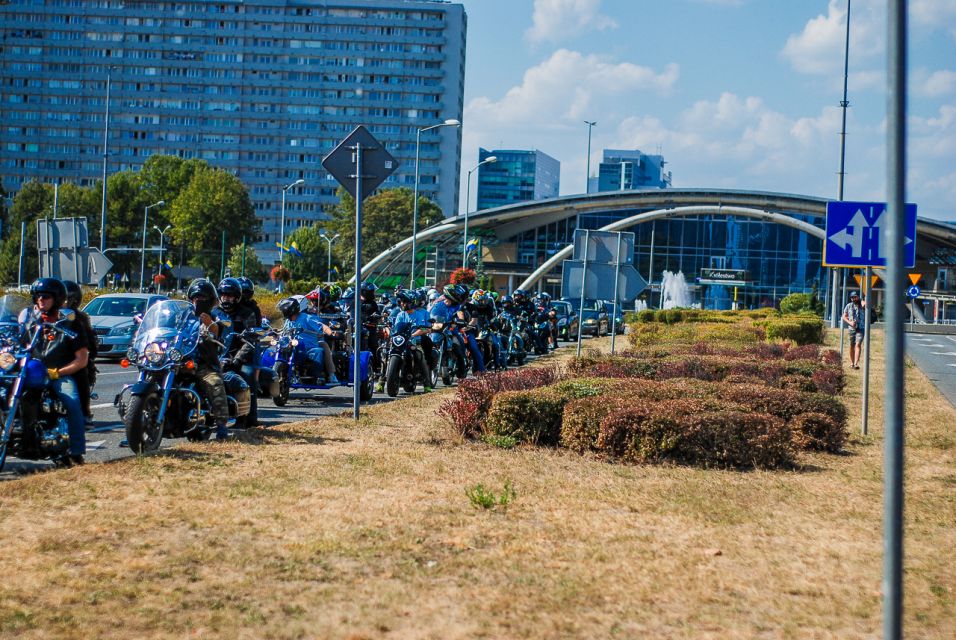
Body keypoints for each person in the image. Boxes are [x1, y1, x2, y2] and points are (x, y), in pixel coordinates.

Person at [25, 278, 89, 465]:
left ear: (57, 299)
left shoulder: (70, 323)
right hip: (30, 373)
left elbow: (82, 359)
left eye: (45, 297)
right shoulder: (30, 322)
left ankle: (76, 450)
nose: (41, 301)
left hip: (58, 373)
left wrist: (57, 372)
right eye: (37, 297)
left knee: (72, 402)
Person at [186, 278, 231, 440]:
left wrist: (210, 324)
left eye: (203, 299)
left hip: (204, 364)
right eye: (196, 298)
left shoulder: (215, 317)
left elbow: (220, 334)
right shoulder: (183, 316)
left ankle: (221, 426)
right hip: (179, 362)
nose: (198, 302)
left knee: (215, 384)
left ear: (211, 301)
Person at [218, 277, 259, 427]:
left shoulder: (247, 313)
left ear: (236, 297)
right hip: (217, 354)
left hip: (239, 355)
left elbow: (251, 339)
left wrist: (237, 360)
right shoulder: (214, 312)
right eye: (224, 295)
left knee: (248, 374)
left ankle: (249, 418)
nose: (226, 298)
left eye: (230, 295)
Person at [277, 297, 340, 384]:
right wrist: (274, 333)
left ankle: (318, 376)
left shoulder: (307, 318)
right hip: (294, 348)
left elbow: (322, 326)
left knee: (318, 351)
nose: (282, 312)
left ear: (289, 310)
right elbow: (283, 332)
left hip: (308, 349)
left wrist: (331, 332)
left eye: (283, 310)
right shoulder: (288, 321)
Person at [62, 280, 98, 423]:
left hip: (73, 357)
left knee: (81, 374)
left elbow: (90, 339)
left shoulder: (80, 318)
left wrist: (91, 354)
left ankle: (84, 413)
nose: (63, 302)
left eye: (66, 299)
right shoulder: (46, 315)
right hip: (53, 357)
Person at [390, 289, 433, 392]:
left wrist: (413, 335)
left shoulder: (419, 315)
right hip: (401, 341)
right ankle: (383, 379)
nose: (402, 304)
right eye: (402, 301)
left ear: (411, 303)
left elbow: (424, 329)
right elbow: (396, 328)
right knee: (387, 354)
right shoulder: (401, 315)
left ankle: (427, 384)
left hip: (415, 341)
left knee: (420, 356)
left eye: (405, 302)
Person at [842, 290, 865, 369]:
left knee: (858, 344)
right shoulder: (848, 306)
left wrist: (862, 300)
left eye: (855, 297)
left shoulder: (862, 305)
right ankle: (852, 363)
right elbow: (844, 316)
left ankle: (856, 363)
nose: (853, 299)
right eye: (852, 297)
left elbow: (865, 305)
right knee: (852, 345)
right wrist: (850, 322)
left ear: (858, 297)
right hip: (851, 328)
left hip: (861, 328)